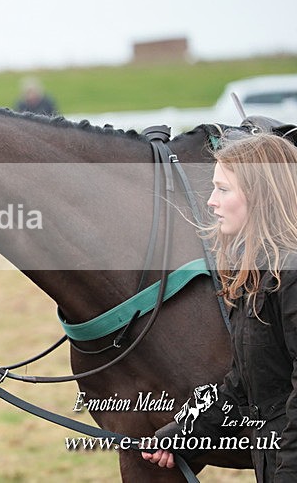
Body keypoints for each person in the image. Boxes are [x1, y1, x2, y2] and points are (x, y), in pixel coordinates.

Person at [142, 133, 297, 481]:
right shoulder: (256, 274)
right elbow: (243, 387)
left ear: (261, 196)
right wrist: (180, 434)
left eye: (223, 189)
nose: (211, 202)